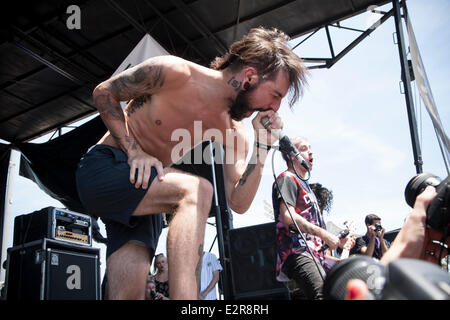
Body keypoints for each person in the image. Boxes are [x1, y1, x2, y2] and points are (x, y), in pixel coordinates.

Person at [75, 27, 308, 299]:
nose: (275, 107)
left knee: (129, 293)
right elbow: (105, 93)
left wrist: (262, 147)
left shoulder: (235, 133)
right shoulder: (174, 72)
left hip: (143, 195)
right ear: (249, 77)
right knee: (198, 191)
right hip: (106, 167)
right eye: (276, 95)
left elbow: (238, 202)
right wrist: (134, 150)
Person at [272, 136, 352, 300]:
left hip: (315, 254)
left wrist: (337, 242)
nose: (310, 151)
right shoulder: (287, 178)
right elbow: (288, 217)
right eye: (303, 148)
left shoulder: (305, 185)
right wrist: (325, 234)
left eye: (310, 147)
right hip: (297, 252)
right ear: (290, 155)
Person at [345, 185, 449, 299]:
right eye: (376, 225)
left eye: (379, 224)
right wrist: (373, 238)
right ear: (368, 225)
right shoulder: (361, 240)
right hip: (367, 278)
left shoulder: (382, 241)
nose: (378, 227)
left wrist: (380, 238)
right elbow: (367, 255)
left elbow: (386, 254)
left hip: (382, 276)